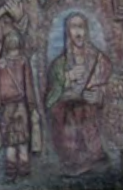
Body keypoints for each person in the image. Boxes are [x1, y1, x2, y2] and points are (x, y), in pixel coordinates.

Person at [44, 13, 111, 175]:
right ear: (68, 32)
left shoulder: (100, 60)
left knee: (84, 112)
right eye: (74, 27)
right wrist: (67, 78)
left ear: (86, 30)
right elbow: (49, 99)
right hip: (67, 115)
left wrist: (99, 95)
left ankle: (94, 156)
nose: (78, 32)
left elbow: (112, 87)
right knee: (68, 115)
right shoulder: (58, 65)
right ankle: (74, 160)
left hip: (89, 113)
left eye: (81, 27)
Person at [0, 29, 36, 181]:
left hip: (8, 107)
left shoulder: (2, 64)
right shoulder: (22, 61)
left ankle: (11, 169)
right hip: (20, 106)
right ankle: (23, 167)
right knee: (22, 139)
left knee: (10, 140)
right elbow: (28, 85)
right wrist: (32, 105)